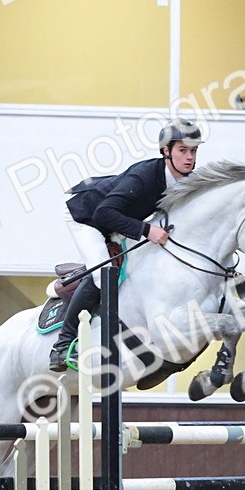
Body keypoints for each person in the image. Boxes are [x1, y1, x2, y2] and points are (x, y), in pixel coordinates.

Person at [49, 118, 203, 372]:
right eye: (182, 150)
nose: (189, 157)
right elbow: (103, 214)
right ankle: (62, 346)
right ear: (166, 151)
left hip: (117, 220)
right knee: (104, 273)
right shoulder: (144, 176)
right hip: (87, 216)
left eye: (193, 151)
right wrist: (146, 230)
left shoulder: (187, 181)